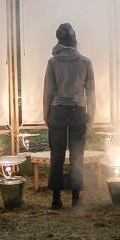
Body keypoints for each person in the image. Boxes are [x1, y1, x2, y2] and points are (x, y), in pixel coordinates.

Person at [43, 23, 96, 209]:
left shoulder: (52, 62)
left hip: (57, 111)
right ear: (74, 39)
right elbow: (90, 92)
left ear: (58, 39)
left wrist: (46, 114)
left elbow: (48, 92)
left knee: (56, 154)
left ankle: (56, 199)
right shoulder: (85, 62)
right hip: (78, 112)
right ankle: (75, 199)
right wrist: (92, 115)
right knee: (77, 154)